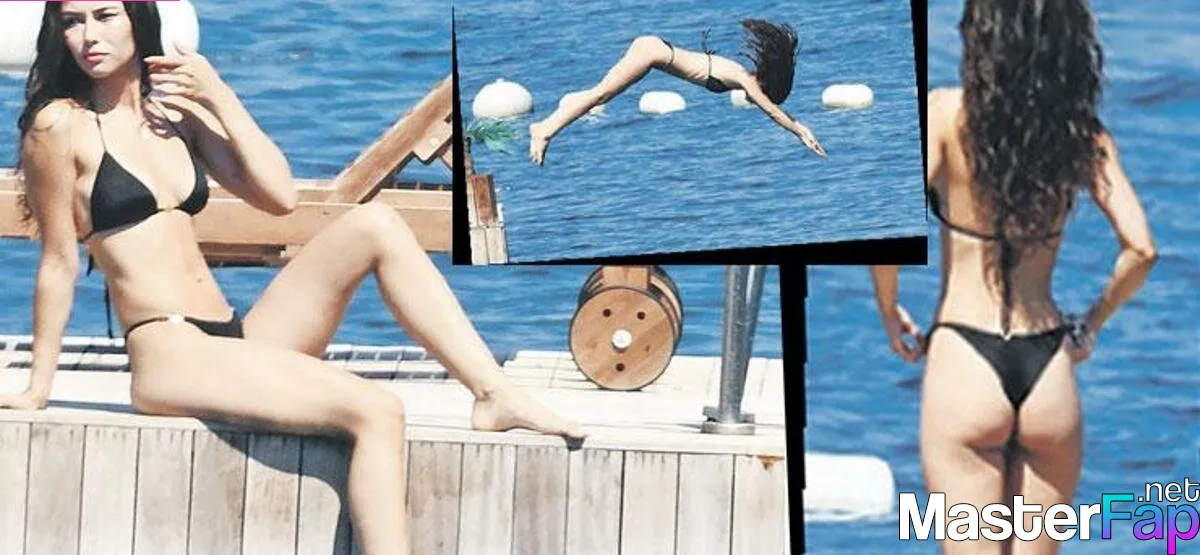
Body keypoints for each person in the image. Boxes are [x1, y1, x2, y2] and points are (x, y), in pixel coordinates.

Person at [1, 3, 584, 554]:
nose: (89, 36)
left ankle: (493, 393)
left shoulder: (174, 116)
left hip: (232, 338)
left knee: (376, 223)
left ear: (138, 18)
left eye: (106, 15)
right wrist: (37, 388)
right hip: (170, 353)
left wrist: (219, 96)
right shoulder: (59, 126)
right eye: (72, 22)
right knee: (376, 411)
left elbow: (279, 196)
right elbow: (59, 261)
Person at [871, 1, 1156, 553]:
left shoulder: (945, 116)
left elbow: (885, 222)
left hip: (965, 360)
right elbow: (1141, 249)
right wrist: (1090, 324)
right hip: (1048, 366)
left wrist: (889, 309)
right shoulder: (1081, 135)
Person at [528, 19, 827, 165]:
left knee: (600, 94)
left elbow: (771, 108)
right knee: (599, 95)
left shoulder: (739, 76)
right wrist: (800, 131)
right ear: (766, 85)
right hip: (652, 54)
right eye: (765, 95)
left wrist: (798, 126)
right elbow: (772, 112)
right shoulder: (744, 78)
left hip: (654, 51)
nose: (756, 101)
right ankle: (545, 129)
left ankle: (548, 125)